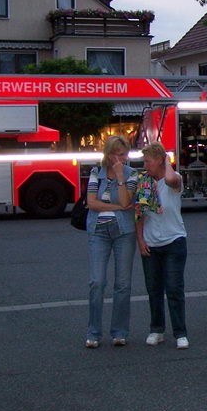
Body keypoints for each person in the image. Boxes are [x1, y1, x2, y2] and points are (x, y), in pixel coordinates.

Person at [135, 141, 190, 349]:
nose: (145, 164)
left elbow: (169, 178)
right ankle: (156, 329)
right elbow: (139, 214)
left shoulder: (174, 181)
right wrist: (140, 241)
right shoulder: (143, 183)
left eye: (148, 160)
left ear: (159, 160)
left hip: (174, 241)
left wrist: (167, 161)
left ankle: (180, 333)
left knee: (174, 289)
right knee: (154, 289)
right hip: (151, 243)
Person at [85, 136, 138, 348]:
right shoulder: (95, 173)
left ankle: (119, 331)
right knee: (97, 282)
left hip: (124, 232)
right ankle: (94, 332)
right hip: (98, 231)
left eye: (125, 154)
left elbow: (127, 201)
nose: (123, 158)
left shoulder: (131, 174)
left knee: (123, 284)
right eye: (118, 154)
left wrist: (119, 177)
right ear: (109, 154)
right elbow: (91, 203)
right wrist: (115, 208)